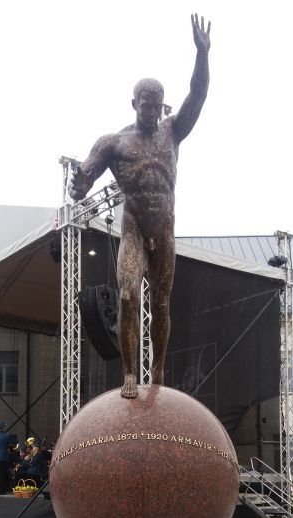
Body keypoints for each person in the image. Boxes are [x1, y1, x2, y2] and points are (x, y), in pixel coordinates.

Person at [70, 14, 211, 398]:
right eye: (145, 106)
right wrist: (79, 184)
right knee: (129, 295)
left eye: (156, 106)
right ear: (134, 104)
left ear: (162, 106)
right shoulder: (114, 143)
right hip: (134, 225)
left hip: (164, 229)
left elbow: (197, 96)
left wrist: (202, 54)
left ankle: (158, 370)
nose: (151, 112)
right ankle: (130, 373)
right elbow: (85, 178)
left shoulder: (172, 131)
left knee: (161, 303)